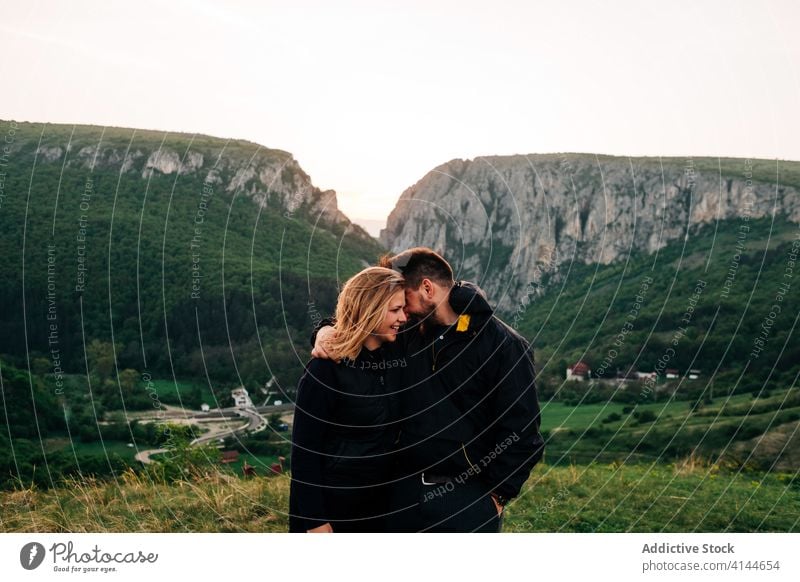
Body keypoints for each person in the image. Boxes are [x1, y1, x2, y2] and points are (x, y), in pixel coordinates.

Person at [313, 248, 544, 532]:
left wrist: (495, 497)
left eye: (402, 301)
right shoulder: (404, 334)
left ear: (426, 288)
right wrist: (325, 330)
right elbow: (362, 323)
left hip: (467, 498)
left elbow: (523, 431)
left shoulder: (504, 346)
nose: (400, 311)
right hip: (398, 495)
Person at [288, 266, 406, 533]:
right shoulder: (325, 369)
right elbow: (305, 453)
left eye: (403, 309)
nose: (403, 318)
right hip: (333, 507)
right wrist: (315, 521)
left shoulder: (397, 358)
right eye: (395, 310)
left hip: (378, 508)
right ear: (370, 308)